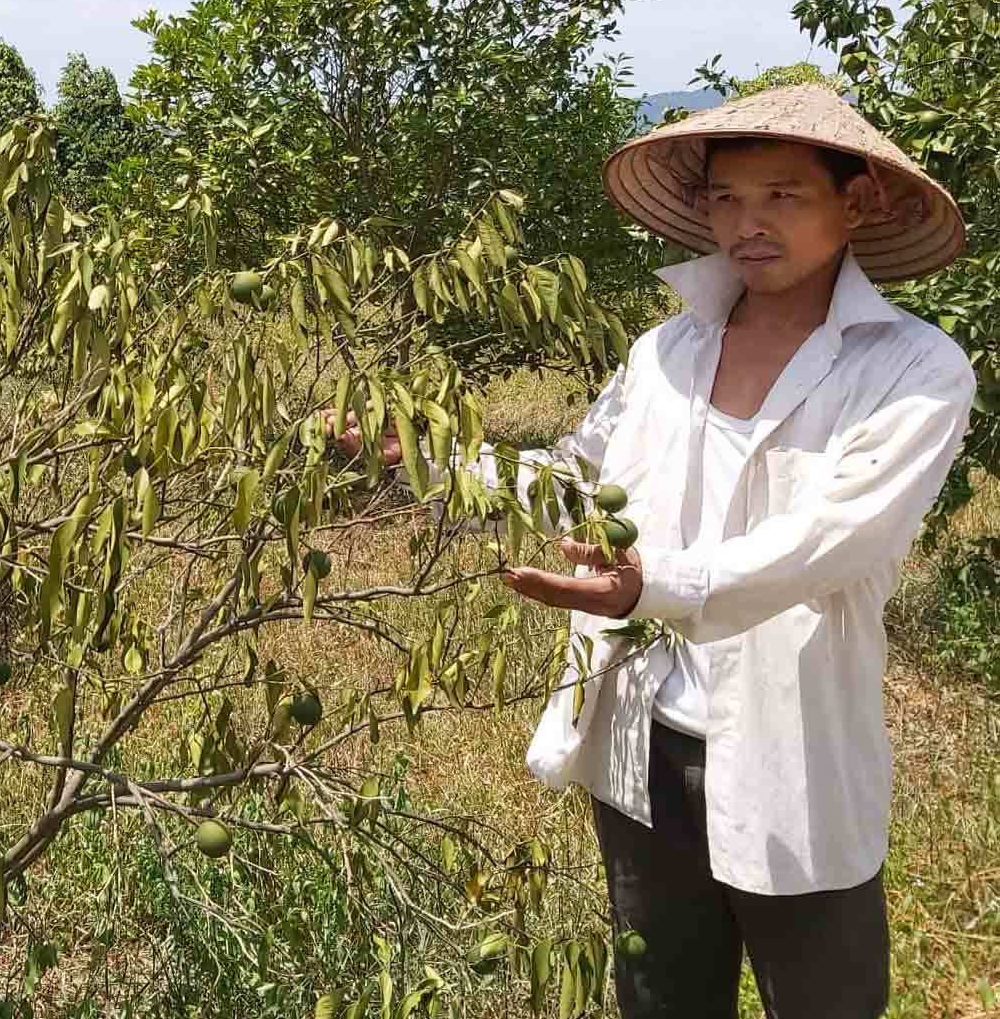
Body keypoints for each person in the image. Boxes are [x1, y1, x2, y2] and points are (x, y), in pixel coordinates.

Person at [328, 85, 974, 1019]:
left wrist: (651, 584)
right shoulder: (665, 351)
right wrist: (424, 457)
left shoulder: (913, 369)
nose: (747, 224)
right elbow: (574, 480)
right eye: (725, 199)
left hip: (797, 751)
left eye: (783, 196)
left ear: (858, 201)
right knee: (663, 992)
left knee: (826, 998)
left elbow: (833, 541)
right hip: (646, 743)